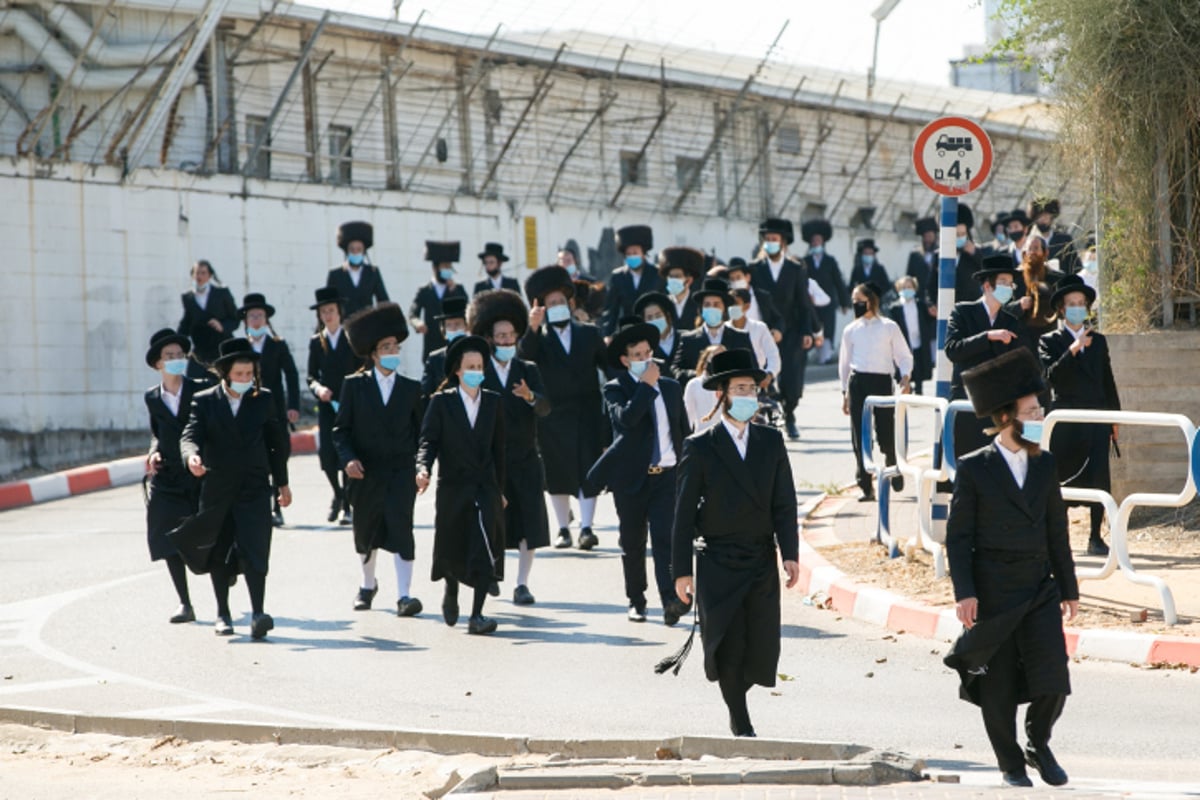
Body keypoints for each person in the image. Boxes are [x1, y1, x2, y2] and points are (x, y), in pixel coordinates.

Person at [944, 348, 1078, 789]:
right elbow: (958, 538)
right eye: (1031, 410)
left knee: (1053, 676)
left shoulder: (1046, 464)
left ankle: (1038, 741)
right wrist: (965, 592)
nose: (1040, 416)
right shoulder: (975, 468)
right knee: (997, 689)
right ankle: (1011, 764)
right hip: (993, 590)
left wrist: (1068, 588)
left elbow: (1057, 530)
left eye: (1040, 408)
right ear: (1006, 418)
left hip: (1039, 585)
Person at [671, 348, 800, 737]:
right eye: (739, 388)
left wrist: (790, 553)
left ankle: (738, 699)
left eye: (752, 388)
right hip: (718, 561)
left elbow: (785, 502)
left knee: (758, 643)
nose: (747, 395)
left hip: (760, 556)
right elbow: (681, 513)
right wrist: (681, 572)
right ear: (721, 394)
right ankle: (739, 719)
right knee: (727, 642)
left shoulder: (771, 441)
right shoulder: (700, 445)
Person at [170, 338, 291, 640]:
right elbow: (190, 434)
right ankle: (223, 613)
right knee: (218, 551)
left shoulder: (263, 399)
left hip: (254, 488)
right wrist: (192, 457)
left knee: (256, 548)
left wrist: (282, 483)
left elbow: (277, 444)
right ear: (225, 373)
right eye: (239, 374)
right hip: (218, 487)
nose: (245, 379)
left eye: (249, 374)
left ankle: (258, 612)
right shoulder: (206, 400)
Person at [587, 318, 690, 625]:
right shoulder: (615, 389)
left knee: (664, 539)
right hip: (631, 478)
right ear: (625, 360)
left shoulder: (671, 388)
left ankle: (670, 600)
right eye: (637, 355)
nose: (645, 360)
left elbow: (682, 433)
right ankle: (636, 599)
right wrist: (645, 386)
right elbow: (626, 421)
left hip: (667, 475)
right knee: (632, 542)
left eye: (648, 353)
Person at [335, 302, 424, 617]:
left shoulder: (412, 389)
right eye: (386, 347)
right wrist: (348, 460)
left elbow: (421, 435)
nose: (392, 351)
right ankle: (368, 584)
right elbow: (341, 431)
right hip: (366, 472)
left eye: (396, 346)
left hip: (401, 472)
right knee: (366, 531)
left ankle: (405, 595)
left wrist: (421, 467)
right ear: (373, 353)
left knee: (402, 530)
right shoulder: (354, 386)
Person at [416, 335, 506, 636]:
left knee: (484, 547)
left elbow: (500, 450)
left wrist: (501, 489)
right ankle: (451, 589)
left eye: (480, 366)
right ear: (458, 370)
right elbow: (428, 441)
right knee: (452, 546)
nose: (476, 371)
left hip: (485, 487)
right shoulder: (441, 403)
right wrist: (423, 469)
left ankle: (477, 615)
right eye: (470, 366)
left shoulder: (493, 401)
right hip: (453, 487)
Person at [468, 289, 552, 605]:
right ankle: (490, 572)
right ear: (489, 338)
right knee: (492, 520)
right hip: (491, 460)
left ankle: (522, 583)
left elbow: (546, 407)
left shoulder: (528, 369)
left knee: (528, 522)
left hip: (526, 458)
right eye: (499, 336)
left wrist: (530, 396)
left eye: (510, 336)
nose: (505, 341)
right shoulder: (479, 371)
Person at [518, 266, 609, 550]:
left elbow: (609, 367)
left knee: (587, 470)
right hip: (552, 414)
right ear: (542, 308)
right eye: (550, 303)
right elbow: (525, 358)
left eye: (561, 302)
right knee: (557, 473)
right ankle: (562, 529)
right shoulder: (538, 338)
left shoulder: (589, 334)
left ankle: (586, 528)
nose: (557, 307)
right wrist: (531, 327)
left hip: (587, 411)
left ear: (570, 303)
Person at [1039, 274, 1121, 557]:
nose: (1076, 308)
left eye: (1081, 303)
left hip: (1096, 416)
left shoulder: (1098, 341)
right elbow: (1050, 377)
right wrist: (1073, 350)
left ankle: (1095, 536)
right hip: (1066, 418)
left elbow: (1108, 381)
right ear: (1061, 308)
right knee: (1061, 478)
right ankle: (1059, 538)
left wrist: (1114, 418)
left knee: (1099, 476)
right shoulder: (1049, 341)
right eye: (1071, 303)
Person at [143, 328, 208, 624]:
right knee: (166, 535)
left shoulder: (202, 390)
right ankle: (185, 602)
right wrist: (154, 451)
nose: (176, 360)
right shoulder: (152, 398)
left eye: (180, 355)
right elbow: (157, 433)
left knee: (211, 535)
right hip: (168, 476)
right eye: (170, 356)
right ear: (158, 363)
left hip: (198, 473)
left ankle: (225, 576)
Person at [944, 255, 1024, 460]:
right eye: (1003, 282)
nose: (1008, 287)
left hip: (997, 406)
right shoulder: (963, 312)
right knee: (965, 462)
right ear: (988, 286)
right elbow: (953, 350)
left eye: (1010, 283)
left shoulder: (1011, 321)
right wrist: (988, 337)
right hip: (966, 402)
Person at [839, 283, 913, 500]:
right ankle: (865, 484)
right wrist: (844, 392)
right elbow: (844, 363)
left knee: (886, 430)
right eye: (853, 300)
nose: (856, 304)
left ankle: (893, 464)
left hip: (881, 382)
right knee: (859, 435)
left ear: (871, 301)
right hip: (858, 382)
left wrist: (906, 376)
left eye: (859, 299)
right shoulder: (850, 330)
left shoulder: (889, 327)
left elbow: (903, 356)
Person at [749, 218, 814, 439]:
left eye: (774, 239)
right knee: (765, 376)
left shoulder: (795, 269)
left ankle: (790, 412)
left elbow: (804, 303)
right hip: (763, 331)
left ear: (783, 242)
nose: (770, 243)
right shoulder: (754, 268)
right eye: (767, 239)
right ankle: (767, 417)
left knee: (792, 380)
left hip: (792, 332)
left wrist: (808, 331)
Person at [239, 293, 300, 527]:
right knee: (255, 457)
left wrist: (293, 405)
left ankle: (278, 505)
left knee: (278, 454)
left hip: (274, 410)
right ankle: (259, 505)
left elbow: (291, 375)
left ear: (266, 319)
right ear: (246, 320)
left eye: (260, 316)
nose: (256, 320)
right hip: (247, 411)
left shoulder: (277, 344)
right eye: (252, 316)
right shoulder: (241, 346)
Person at [307, 286, 363, 525]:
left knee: (347, 454)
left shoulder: (351, 338)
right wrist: (318, 389)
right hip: (328, 405)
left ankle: (348, 505)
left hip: (349, 405)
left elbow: (363, 367)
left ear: (339, 311)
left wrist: (351, 392)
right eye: (323, 312)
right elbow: (310, 376)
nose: (327, 315)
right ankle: (339, 496)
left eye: (331, 310)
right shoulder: (316, 342)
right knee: (328, 456)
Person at [673, 277, 752, 387]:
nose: (711, 308)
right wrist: (700, 374)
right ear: (701, 308)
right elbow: (675, 370)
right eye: (707, 305)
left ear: (724, 307)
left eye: (716, 304)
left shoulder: (740, 337)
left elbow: (751, 369)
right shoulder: (688, 339)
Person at [410, 241, 469, 360]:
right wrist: (418, 324)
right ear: (435, 268)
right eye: (445, 266)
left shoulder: (458, 288)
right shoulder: (424, 290)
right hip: (432, 344)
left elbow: (468, 311)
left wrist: (454, 291)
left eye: (449, 266)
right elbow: (413, 314)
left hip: (454, 342)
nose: (448, 270)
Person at [801, 218, 848, 364]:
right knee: (811, 325)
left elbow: (838, 282)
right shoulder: (805, 262)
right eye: (813, 241)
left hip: (827, 301)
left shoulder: (830, 261)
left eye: (818, 240)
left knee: (827, 328)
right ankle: (810, 352)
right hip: (811, 302)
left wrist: (844, 302)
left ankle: (825, 355)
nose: (816, 243)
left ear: (823, 242)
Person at [1011, 236, 1065, 361]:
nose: (1032, 253)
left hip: (1048, 335)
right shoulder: (1014, 278)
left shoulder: (1056, 278)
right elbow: (1003, 309)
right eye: (1029, 249)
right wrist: (1019, 305)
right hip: (1021, 338)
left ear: (1045, 253)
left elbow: (1064, 310)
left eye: (1036, 248)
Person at [601, 225, 661, 335]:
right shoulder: (618, 277)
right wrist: (607, 334)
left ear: (643, 253)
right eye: (628, 254)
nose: (632, 256)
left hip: (653, 328)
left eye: (635, 253)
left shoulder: (656, 274)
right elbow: (611, 310)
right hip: (628, 330)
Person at [177, 259, 238, 367]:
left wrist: (222, 326)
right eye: (197, 273)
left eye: (203, 273)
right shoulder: (188, 298)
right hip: (201, 349)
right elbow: (186, 323)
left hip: (221, 346)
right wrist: (178, 342)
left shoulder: (222, 293)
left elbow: (235, 318)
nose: (199, 276)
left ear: (209, 275)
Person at [326, 221, 389, 317]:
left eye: (359, 249)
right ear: (347, 251)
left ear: (364, 252)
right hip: (345, 325)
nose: (355, 253)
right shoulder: (335, 274)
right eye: (352, 249)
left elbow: (384, 302)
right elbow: (327, 305)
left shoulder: (373, 273)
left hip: (367, 325)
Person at [728, 288, 780, 389]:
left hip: (756, 381)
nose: (732, 307)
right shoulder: (724, 329)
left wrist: (769, 374)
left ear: (747, 306)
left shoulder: (759, 328)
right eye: (730, 303)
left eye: (736, 303)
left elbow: (773, 355)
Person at [888, 275, 932, 395]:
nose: (907, 289)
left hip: (918, 339)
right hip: (904, 340)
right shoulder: (895, 308)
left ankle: (919, 387)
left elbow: (928, 319)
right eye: (904, 287)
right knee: (906, 363)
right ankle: (907, 385)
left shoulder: (920, 305)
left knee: (919, 363)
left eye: (910, 287)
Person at [420, 297, 469, 399]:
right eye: (449, 325)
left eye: (457, 324)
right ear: (444, 330)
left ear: (467, 326)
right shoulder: (435, 359)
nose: (454, 328)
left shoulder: (479, 354)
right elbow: (425, 393)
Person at [657, 246, 704, 331]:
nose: (673, 280)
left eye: (677, 276)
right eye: (670, 277)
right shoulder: (661, 305)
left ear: (689, 280)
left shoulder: (699, 305)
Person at [1028, 197, 1078, 275]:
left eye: (1045, 215)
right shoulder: (1029, 241)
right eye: (1039, 216)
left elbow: (1075, 266)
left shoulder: (1064, 240)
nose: (1043, 219)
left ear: (1052, 217)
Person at [682, 344, 725, 432]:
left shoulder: (730, 386)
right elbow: (688, 417)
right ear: (705, 362)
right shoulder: (694, 384)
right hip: (701, 437)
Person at [635, 292, 681, 369]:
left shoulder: (686, 338)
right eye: (649, 318)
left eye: (658, 316)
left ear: (668, 316)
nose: (655, 320)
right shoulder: (643, 348)